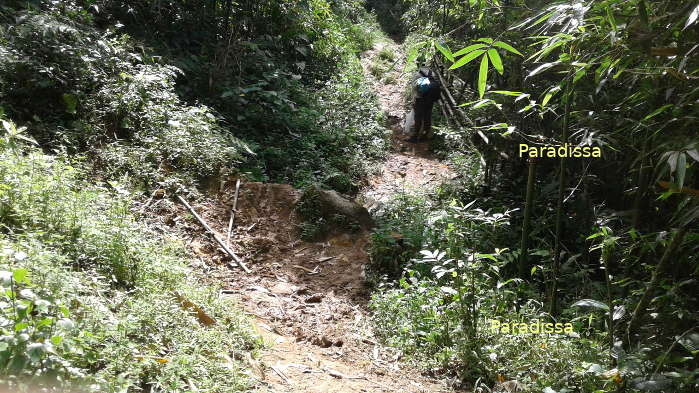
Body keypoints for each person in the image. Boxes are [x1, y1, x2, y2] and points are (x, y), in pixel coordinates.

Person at [406, 66, 441, 142]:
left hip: (420, 99)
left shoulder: (417, 75)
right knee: (427, 117)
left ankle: (415, 136)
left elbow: (414, 89)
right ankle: (425, 136)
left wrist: (414, 100)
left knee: (418, 118)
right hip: (430, 100)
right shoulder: (432, 73)